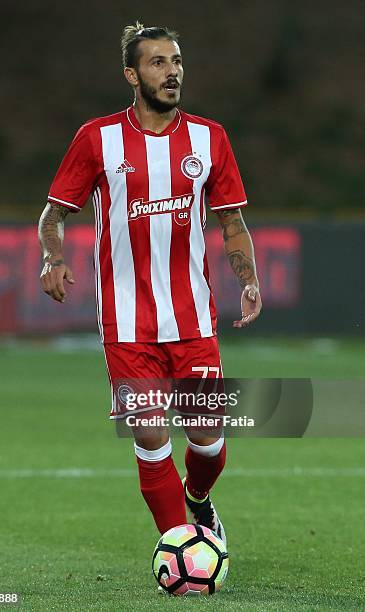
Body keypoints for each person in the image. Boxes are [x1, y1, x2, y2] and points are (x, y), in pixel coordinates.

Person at [38, 22, 262, 544]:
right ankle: (180, 545)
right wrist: (52, 257)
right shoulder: (98, 138)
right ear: (131, 75)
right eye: (158, 63)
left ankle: (198, 500)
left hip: (191, 318)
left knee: (207, 439)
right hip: (126, 321)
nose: (172, 72)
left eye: (177, 61)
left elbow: (232, 222)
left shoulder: (210, 137)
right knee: (150, 431)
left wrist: (247, 280)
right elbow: (53, 214)